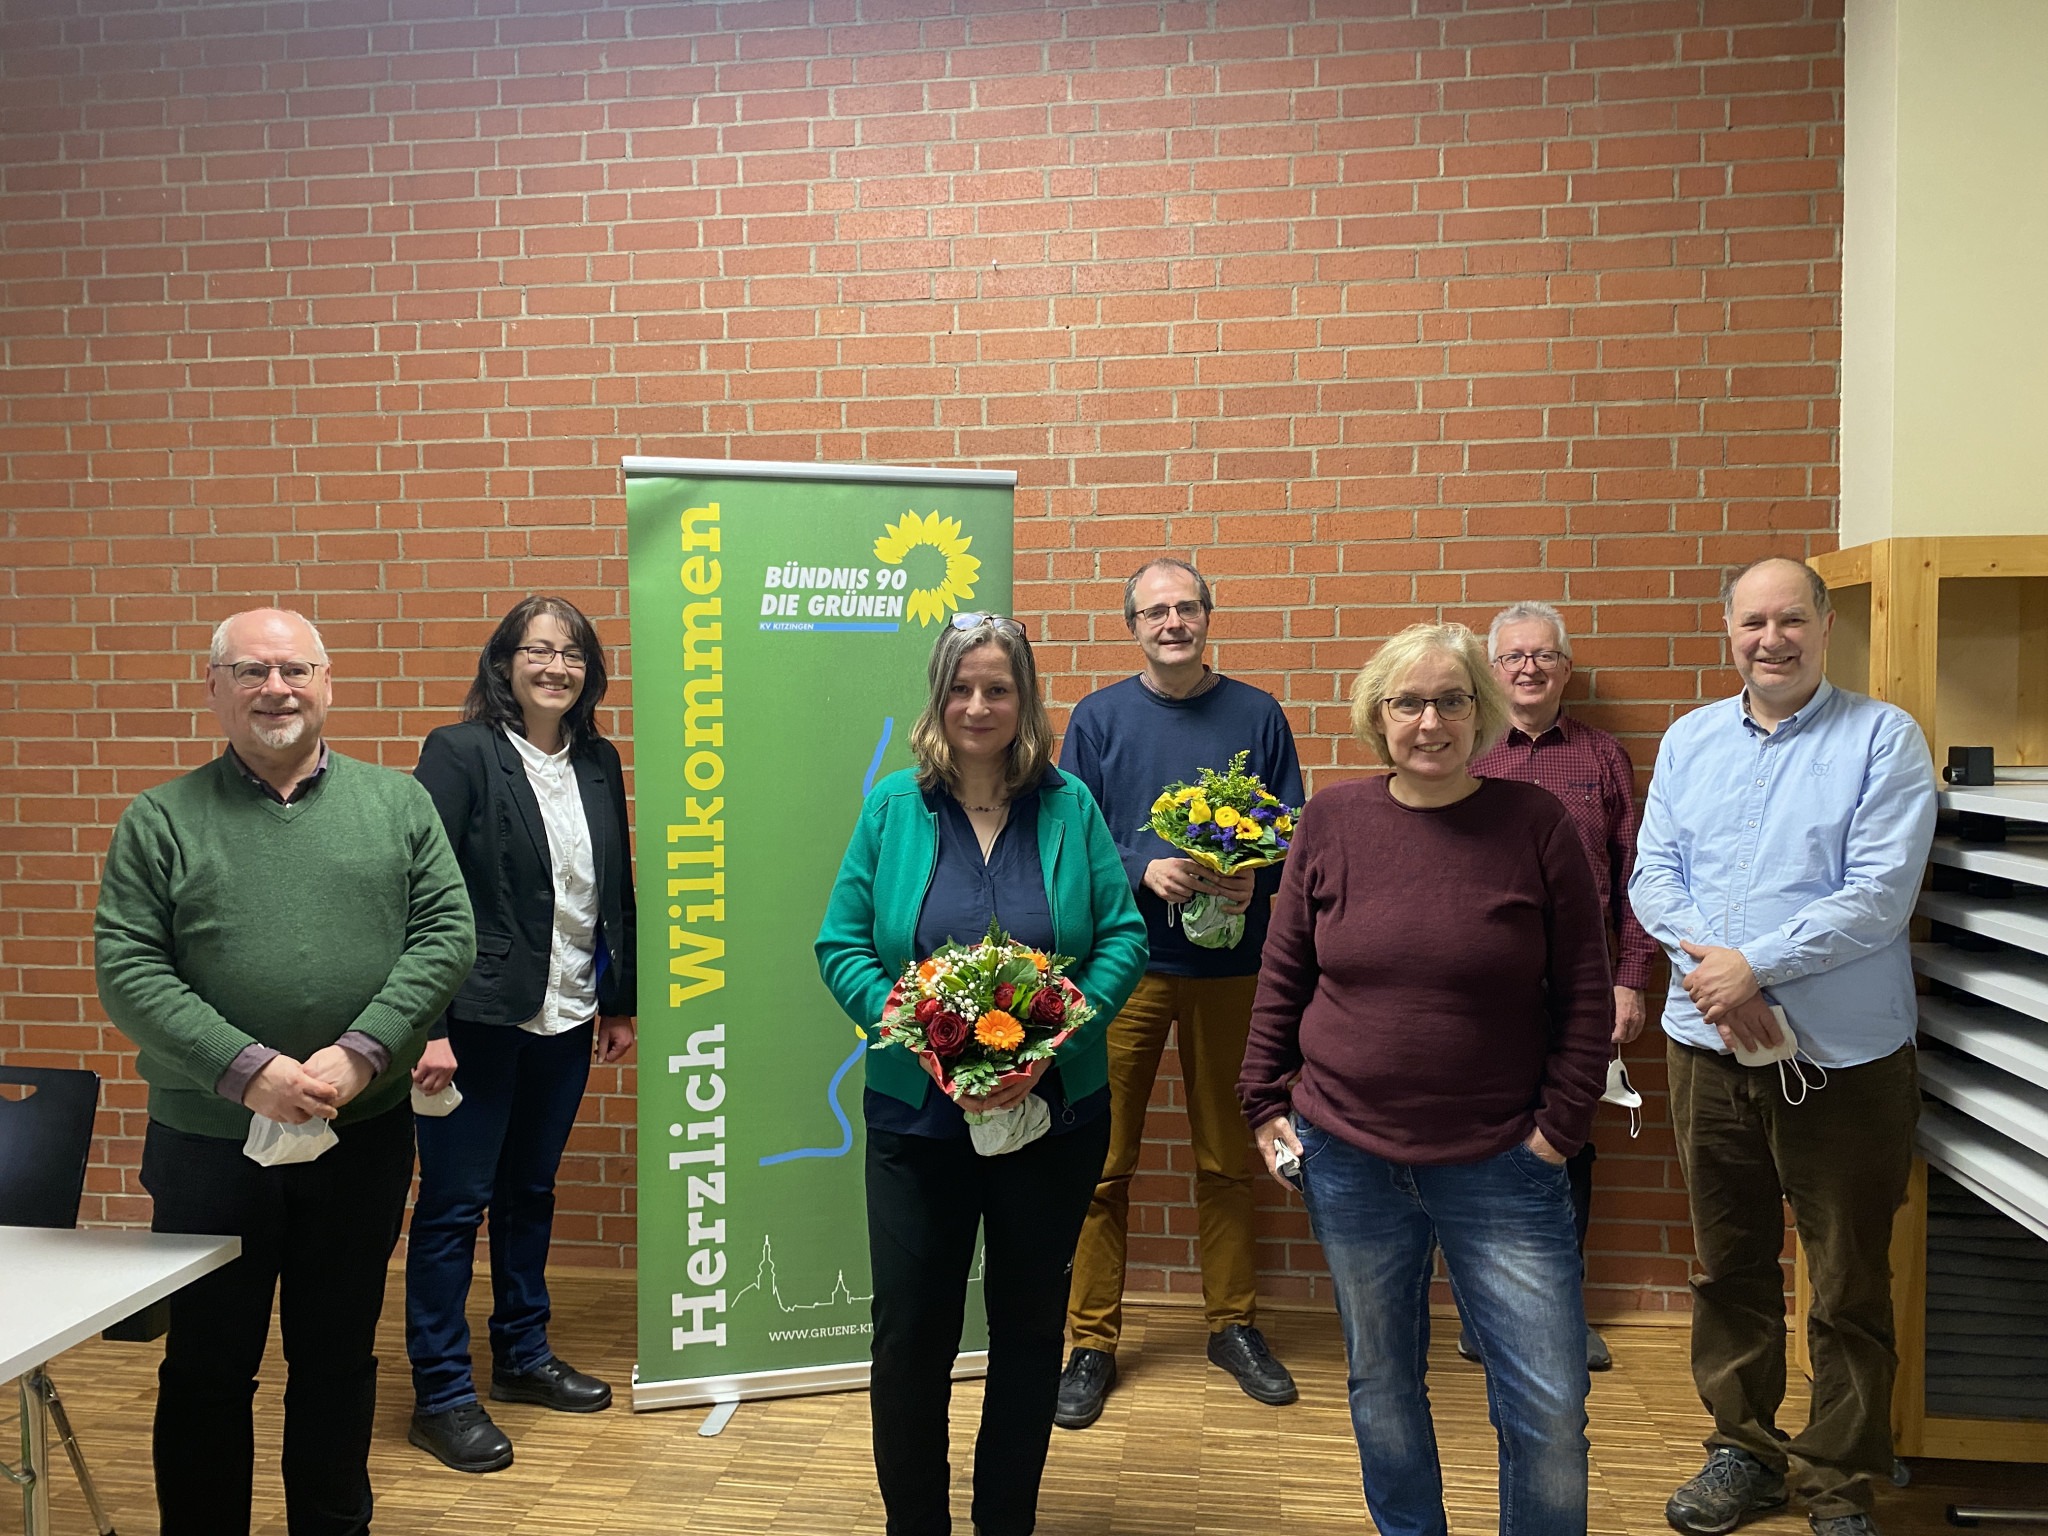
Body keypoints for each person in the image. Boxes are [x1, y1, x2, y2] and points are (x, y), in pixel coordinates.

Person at [93, 608, 475, 1536]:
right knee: (207, 1366)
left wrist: (362, 1052)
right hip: (209, 1146)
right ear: (214, 687)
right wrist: (248, 1070)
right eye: (252, 671)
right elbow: (129, 968)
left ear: (328, 682)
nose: (277, 689)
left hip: (362, 1134)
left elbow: (446, 935)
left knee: (338, 1358)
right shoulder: (161, 819)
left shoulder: (399, 805)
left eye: (296, 669)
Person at [1238, 621, 1611, 1536]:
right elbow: (1284, 972)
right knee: (1383, 1385)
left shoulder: (1534, 825)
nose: (1431, 721)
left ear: (1480, 712)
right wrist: (1263, 1102)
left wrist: (1556, 1132)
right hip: (1350, 1154)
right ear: (1378, 715)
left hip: (1503, 1162)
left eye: (1452, 700)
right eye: (1409, 701)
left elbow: (1587, 992)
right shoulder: (1332, 819)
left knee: (1550, 1408)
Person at [816, 613, 1149, 1536]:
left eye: (998, 688)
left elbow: (1121, 936)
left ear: (1025, 700)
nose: (978, 705)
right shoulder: (893, 807)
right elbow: (841, 943)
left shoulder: (1071, 805)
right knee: (911, 1336)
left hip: (1055, 1119)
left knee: (1032, 1331)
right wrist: (915, 1036)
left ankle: (1007, 1521)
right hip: (916, 1120)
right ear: (937, 698)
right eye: (961, 688)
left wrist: (1051, 1044)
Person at [1630, 558, 1936, 1536]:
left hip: (1840, 1062)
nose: (1771, 639)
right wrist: (1716, 984)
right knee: (1728, 1268)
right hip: (1703, 1049)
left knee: (1845, 1280)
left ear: (1824, 625)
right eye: (1752, 622)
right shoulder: (1687, 742)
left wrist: (1751, 966)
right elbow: (1652, 877)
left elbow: (1877, 896)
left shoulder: (1881, 741)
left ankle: (1837, 1480)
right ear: (1728, 630)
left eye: (1789, 620)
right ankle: (1743, 1453)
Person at [1056, 556, 1307, 1429]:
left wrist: (1255, 881)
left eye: (1186, 607)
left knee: (1226, 1160)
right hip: (1122, 970)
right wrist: (1140, 865)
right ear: (1133, 625)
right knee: (1100, 1165)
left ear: (1209, 614)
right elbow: (1068, 837)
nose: (1173, 622)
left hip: (1227, 973)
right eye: (1155, 611)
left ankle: (1232, 1325)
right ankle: (1089, 1341)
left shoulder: (1257, 713)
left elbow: (1291, 833)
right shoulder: (1097, 718)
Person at [403, 595, 638, 1472]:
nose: (555, 667)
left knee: (530, 1193)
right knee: (455, 1207)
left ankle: (523, 1358)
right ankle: (442, 1393)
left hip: (567, 1013)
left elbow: (611, 889)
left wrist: (620, 1001)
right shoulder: (460, 752)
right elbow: (417, 887)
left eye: (572, 653)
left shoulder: (600, 760)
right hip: (471, 1021)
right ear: (504, 663)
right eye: (537, 650)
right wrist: (426, 1027)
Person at [1454, 599, 1658, 1373]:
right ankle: (1481, 1312)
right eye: (1512, 657)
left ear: (1566, 669)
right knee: (1480, 1142)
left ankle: (1557, 1312)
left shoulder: (1603, 758)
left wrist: (1631, 981)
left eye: (1543, 656)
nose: (1528, 669)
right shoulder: (1465, 753)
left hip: (1580, 989)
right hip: (1484, 991)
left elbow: (1636, 878)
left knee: (1566, 1140)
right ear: (1491, 668)